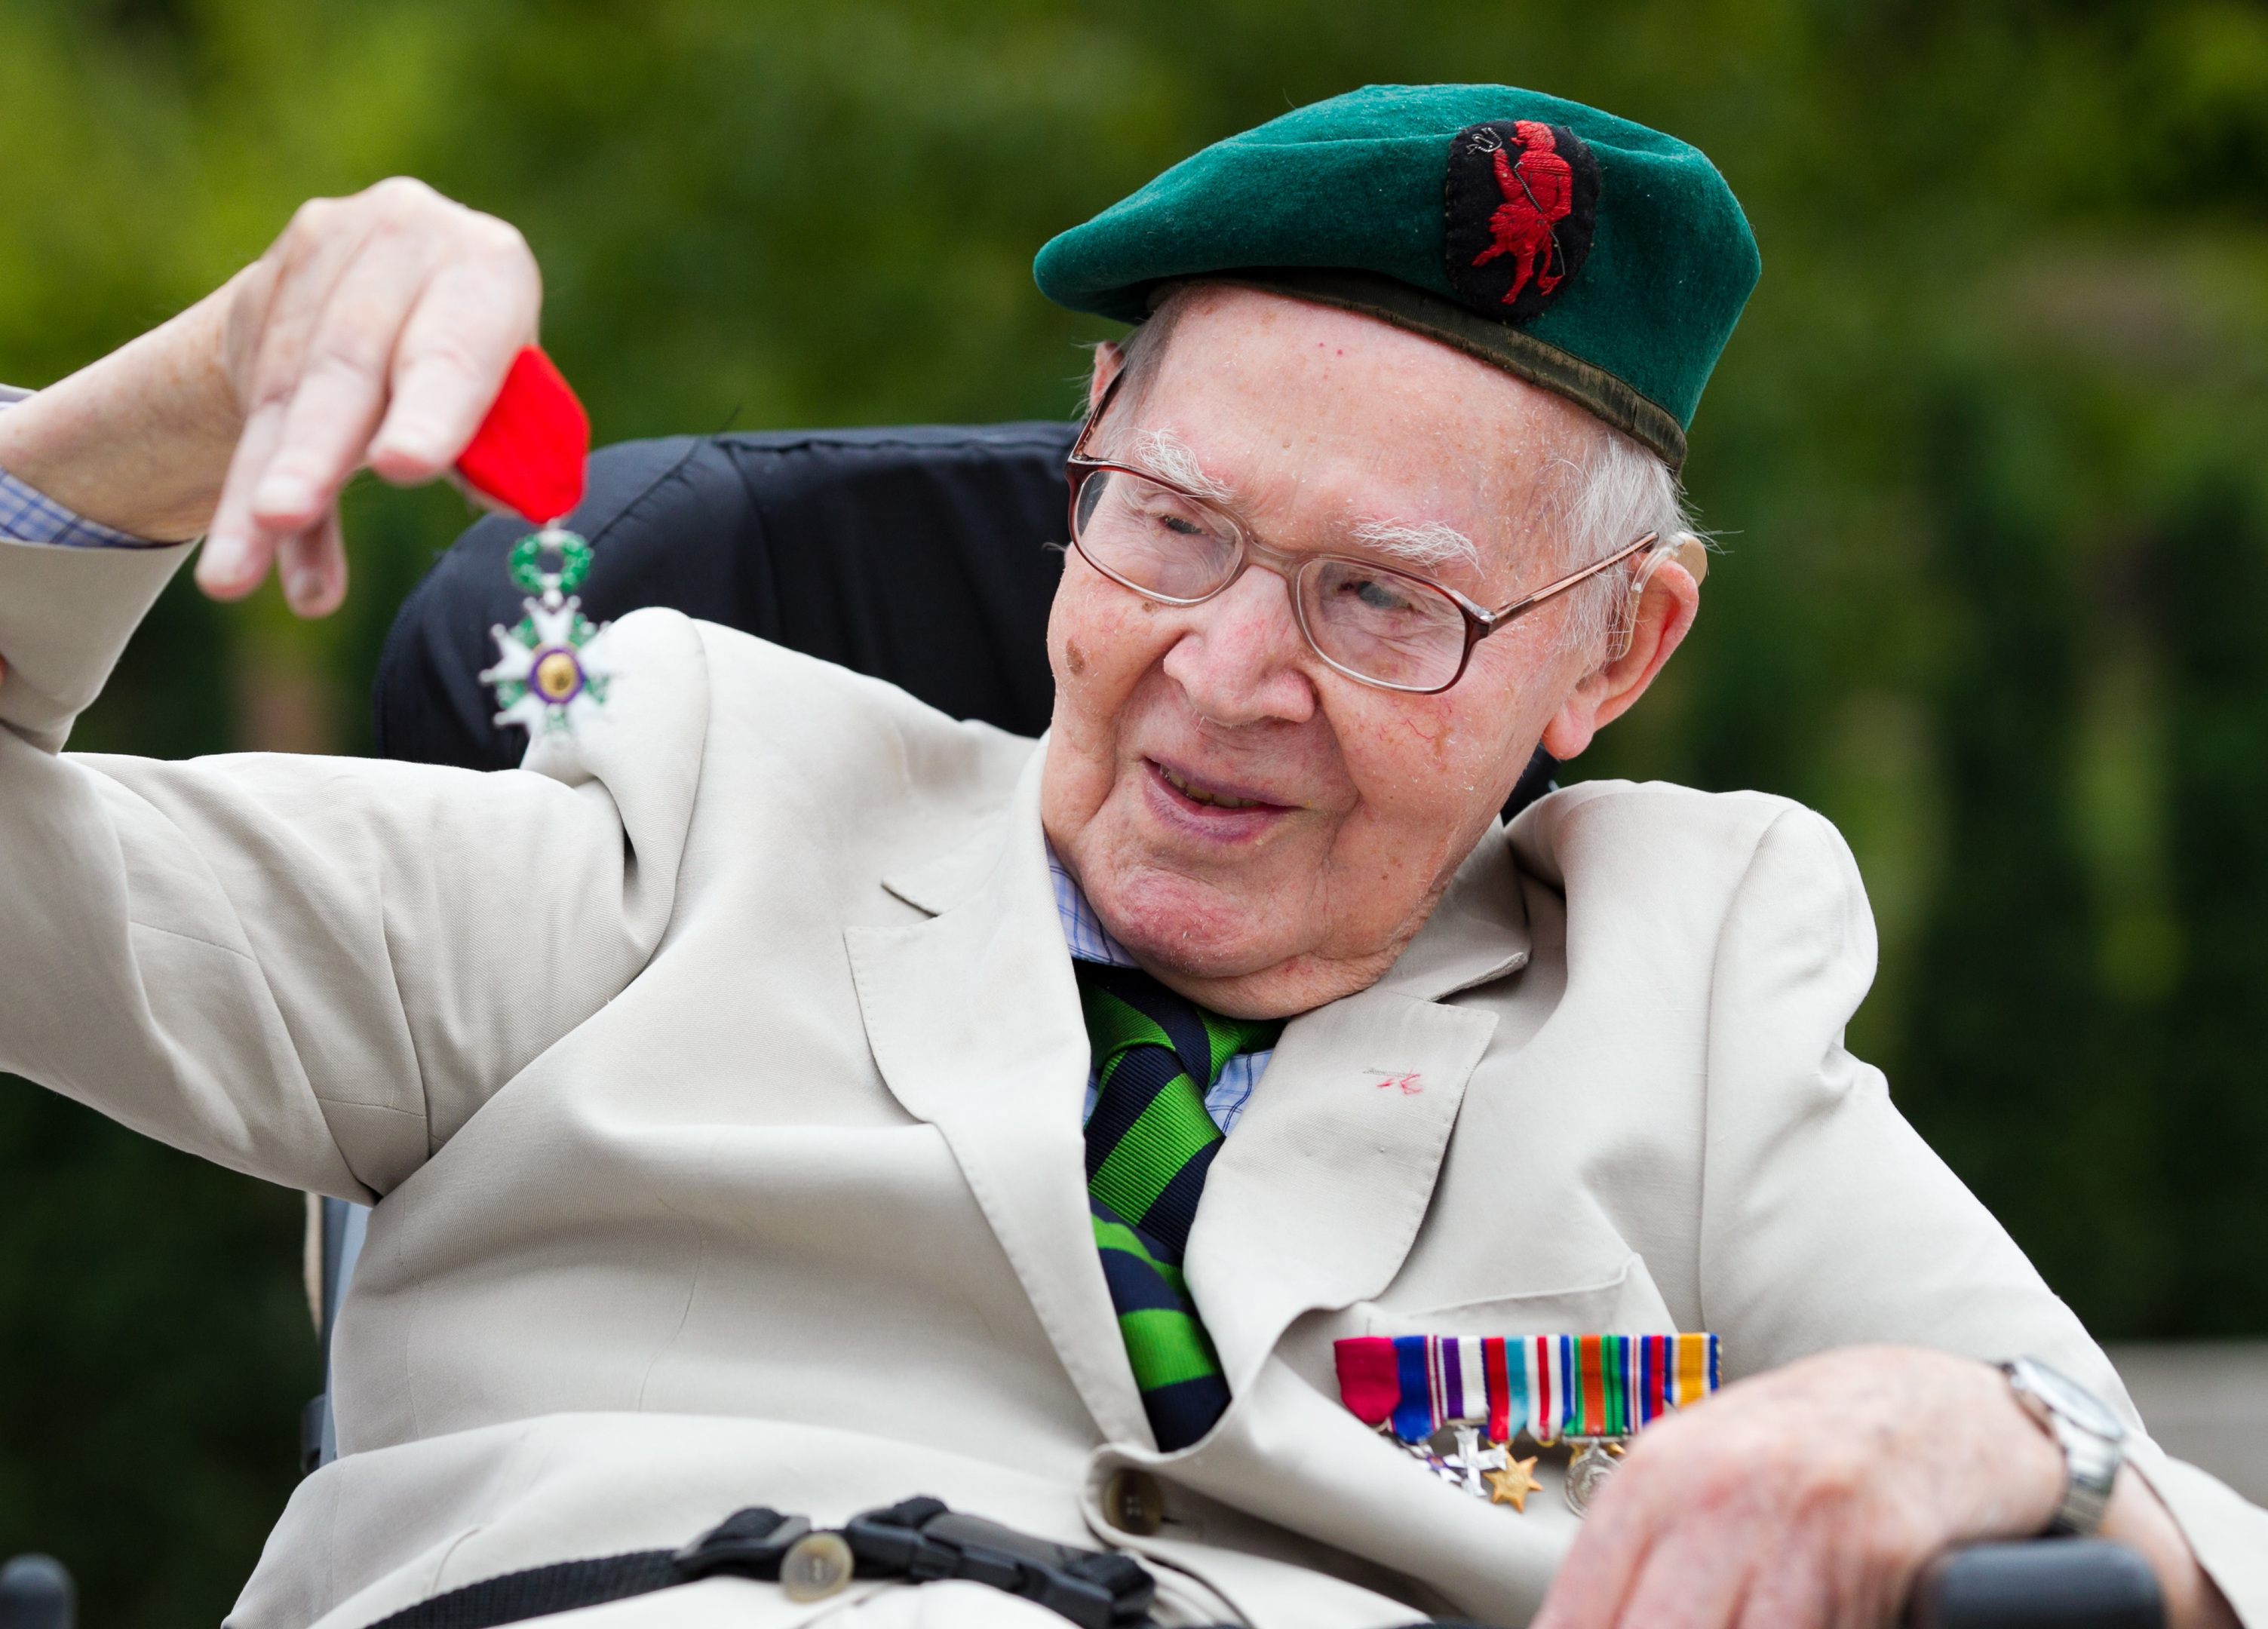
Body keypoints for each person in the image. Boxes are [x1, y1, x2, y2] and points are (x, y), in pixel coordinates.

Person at [0, 86, 2257, 1629]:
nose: (1223, 676)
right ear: (1086, 455)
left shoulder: (1678, 1006)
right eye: (1171, 529)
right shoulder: (672, 814)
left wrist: (1991, 1448)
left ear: (1618, 652)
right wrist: (166, 406)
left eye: (1381, 604)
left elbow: (2209, 1545)